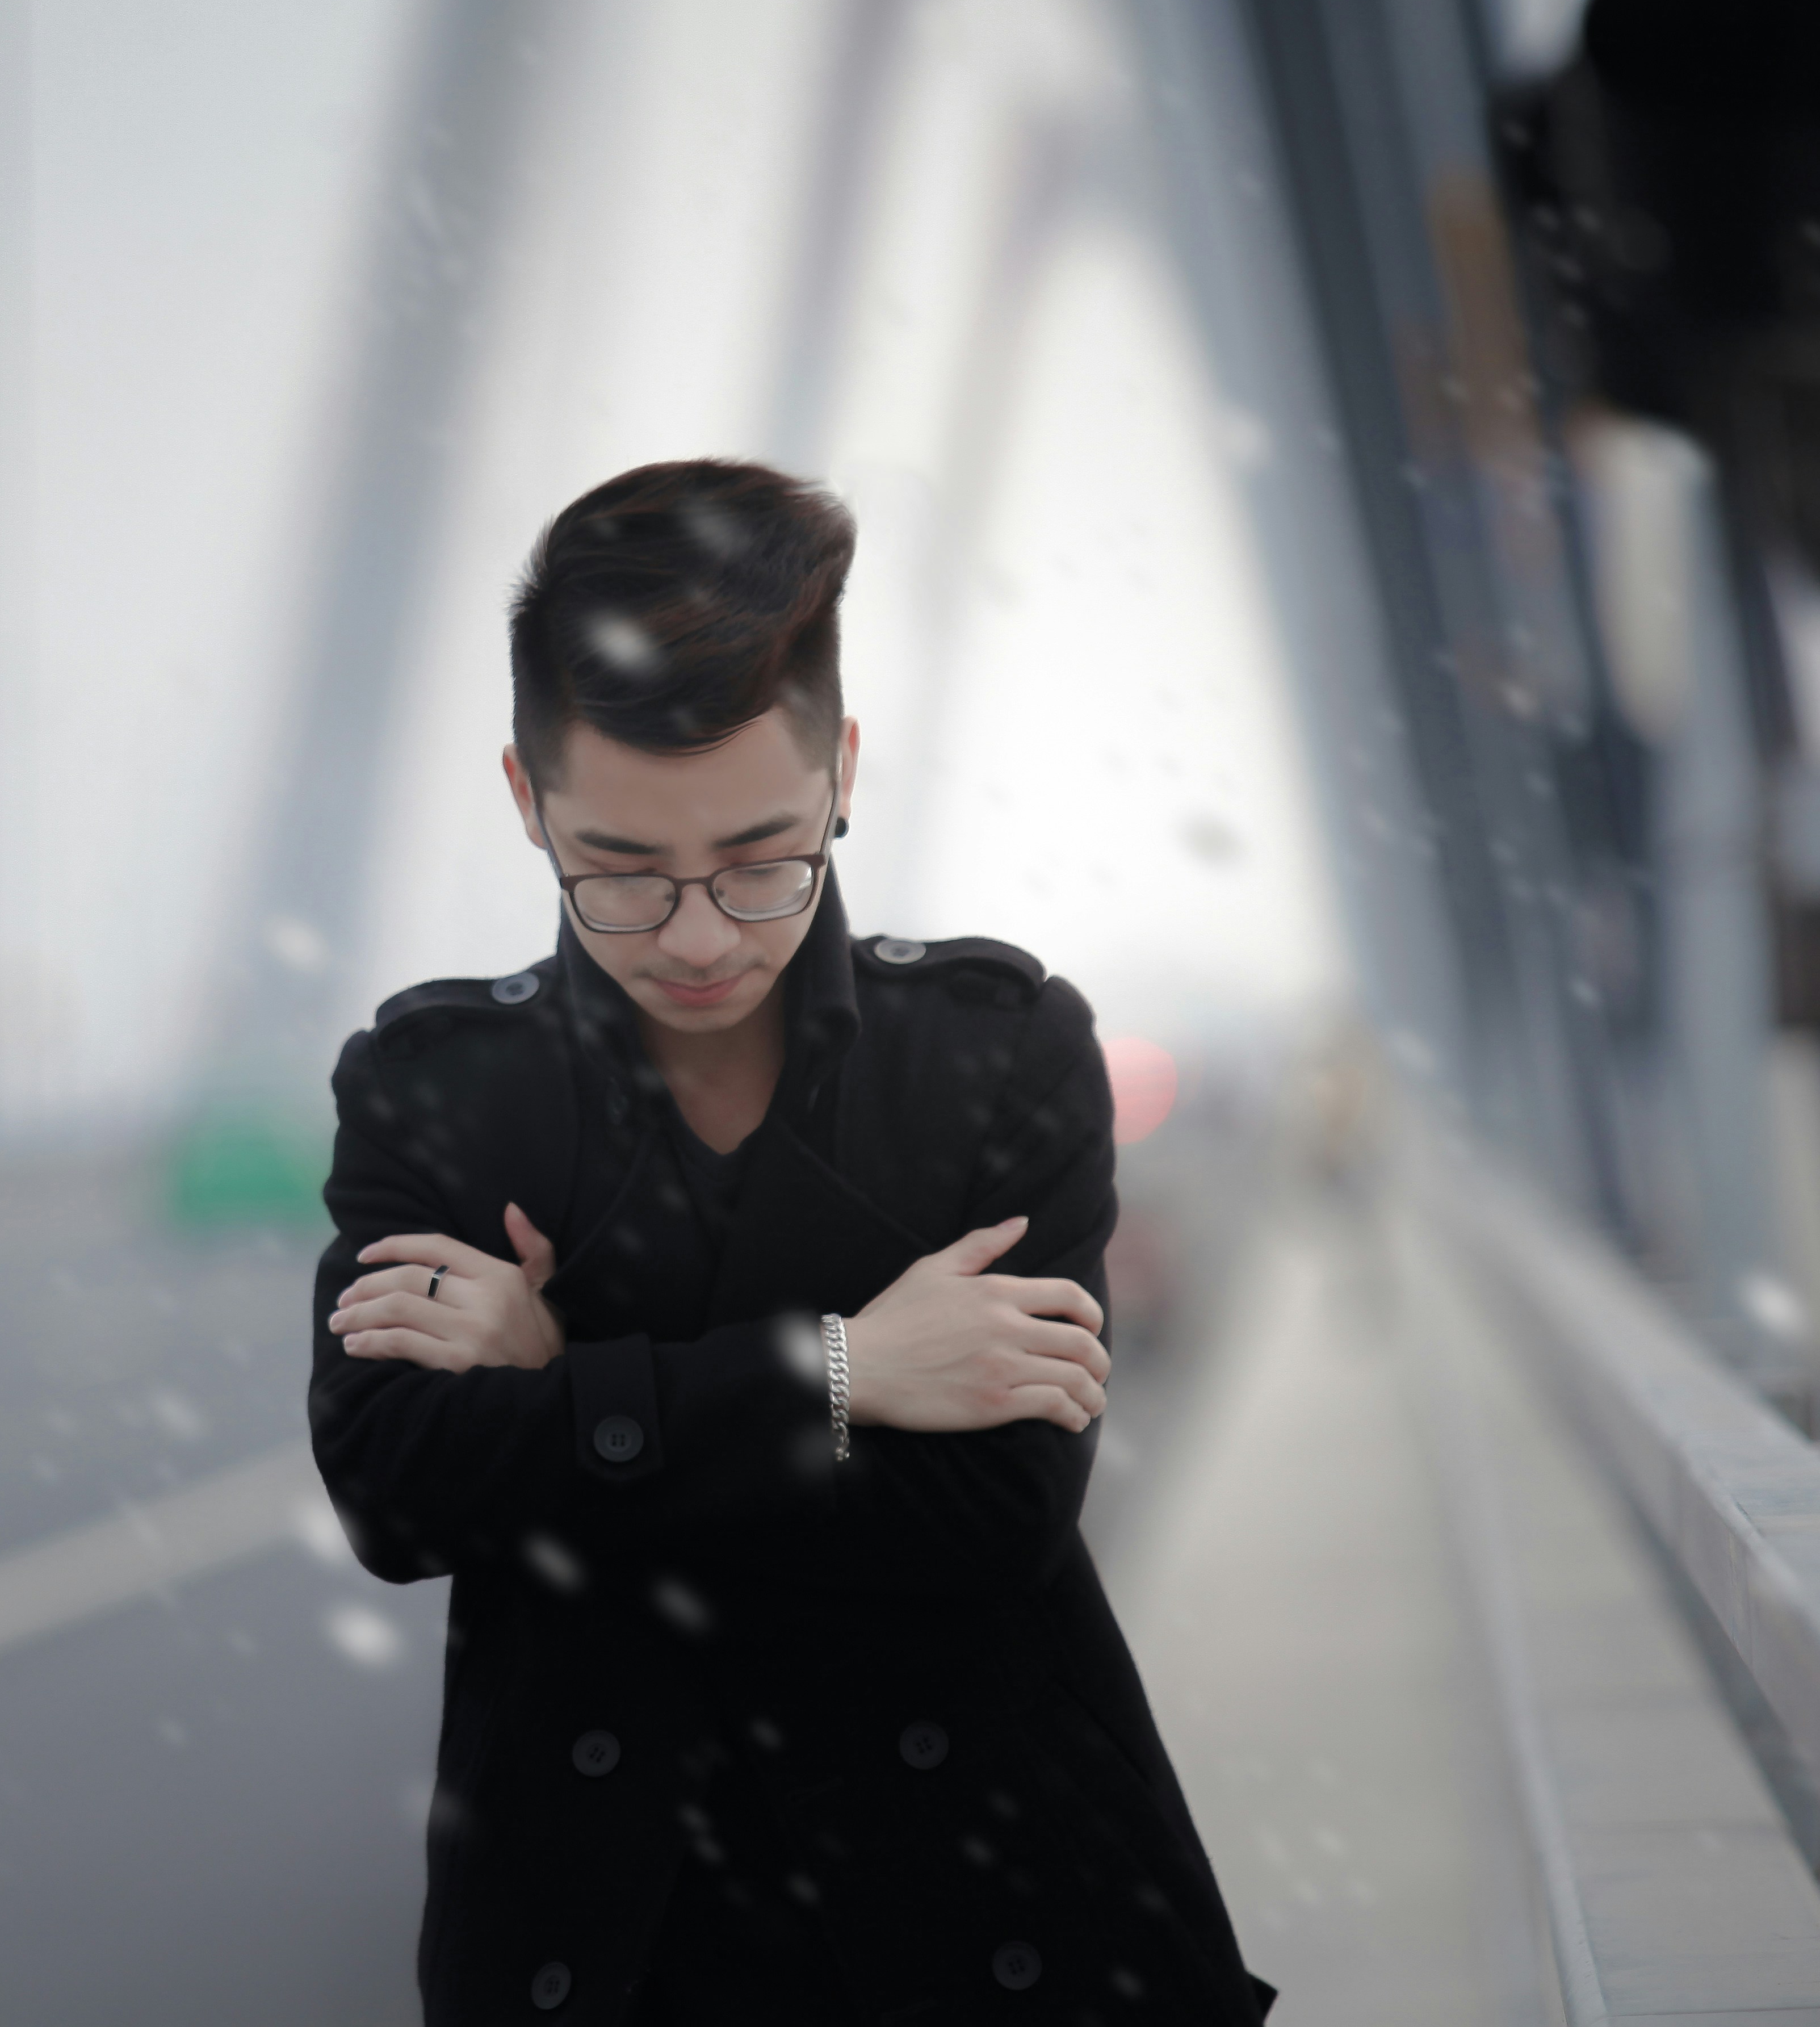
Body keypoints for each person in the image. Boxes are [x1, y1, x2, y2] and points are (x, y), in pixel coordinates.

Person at [307, 459, 1274, 2025]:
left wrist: (570, 1392)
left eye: (761, 860)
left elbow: (994, 1516)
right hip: (605, 1948)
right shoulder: (443, 1089)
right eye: (620, 870)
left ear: (843, 777)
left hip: (1007, 1929)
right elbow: (397, 1483)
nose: (698, 936)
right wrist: (843, 1370)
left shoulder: (994, 1056)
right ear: (524, 798)